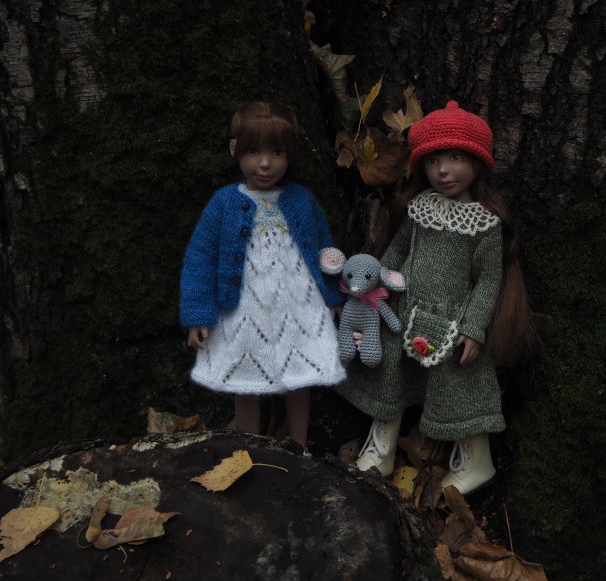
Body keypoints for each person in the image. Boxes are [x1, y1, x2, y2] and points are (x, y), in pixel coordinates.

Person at [336, 100, 532, 494]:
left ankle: (477, 460)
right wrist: (375, 286)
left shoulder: (484, 224)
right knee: (389, 377)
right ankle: (382, 446)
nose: (443, 170)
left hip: (452, 323)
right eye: (432, 161)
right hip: (402, 309)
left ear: (477, 162)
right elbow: (396, 253)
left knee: (459, 390)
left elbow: (488, 281)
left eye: (455, 158)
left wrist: (474, 328)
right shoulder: (419, 209)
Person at [179, 101, 346, 449]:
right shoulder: (224, 203)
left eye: (277, 152)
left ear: (290, 154)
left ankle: (299, 444)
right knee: (245, 377)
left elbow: (324, 249)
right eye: (253, 151)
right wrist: (198, 314)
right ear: (234, 150)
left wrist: (332, 296)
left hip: (297, 304)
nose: (265, 163)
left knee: (301, 374)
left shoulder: (302, 199)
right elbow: (200, 258)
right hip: (243, 308)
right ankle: (248, 446)